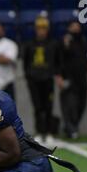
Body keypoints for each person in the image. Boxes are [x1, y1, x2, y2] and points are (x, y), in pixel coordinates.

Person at [23, 16, 61, 144]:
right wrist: (29, 77)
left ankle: (49, 132)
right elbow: (25, 63)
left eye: (44, 28)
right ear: (35, 29)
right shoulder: (29, 44)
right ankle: (39, 132)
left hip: (48, 79)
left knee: (48, 107)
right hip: (34, 80)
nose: (41, 31)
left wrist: (57, 75)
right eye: (39, 28)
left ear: (47, 29)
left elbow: (57, 62)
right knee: (37, 107)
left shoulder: (53, 44)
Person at [57, 21, 87, 139]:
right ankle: (71, 128)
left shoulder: (83, 41)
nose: (75, 29)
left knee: (81, 104)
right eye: (73, 27)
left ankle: (71, 126)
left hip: (82, 79)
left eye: (77, 27)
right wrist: (59, 76)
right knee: (70, 105)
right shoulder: (64, 41)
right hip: (68, 78)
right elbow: (59, 59)